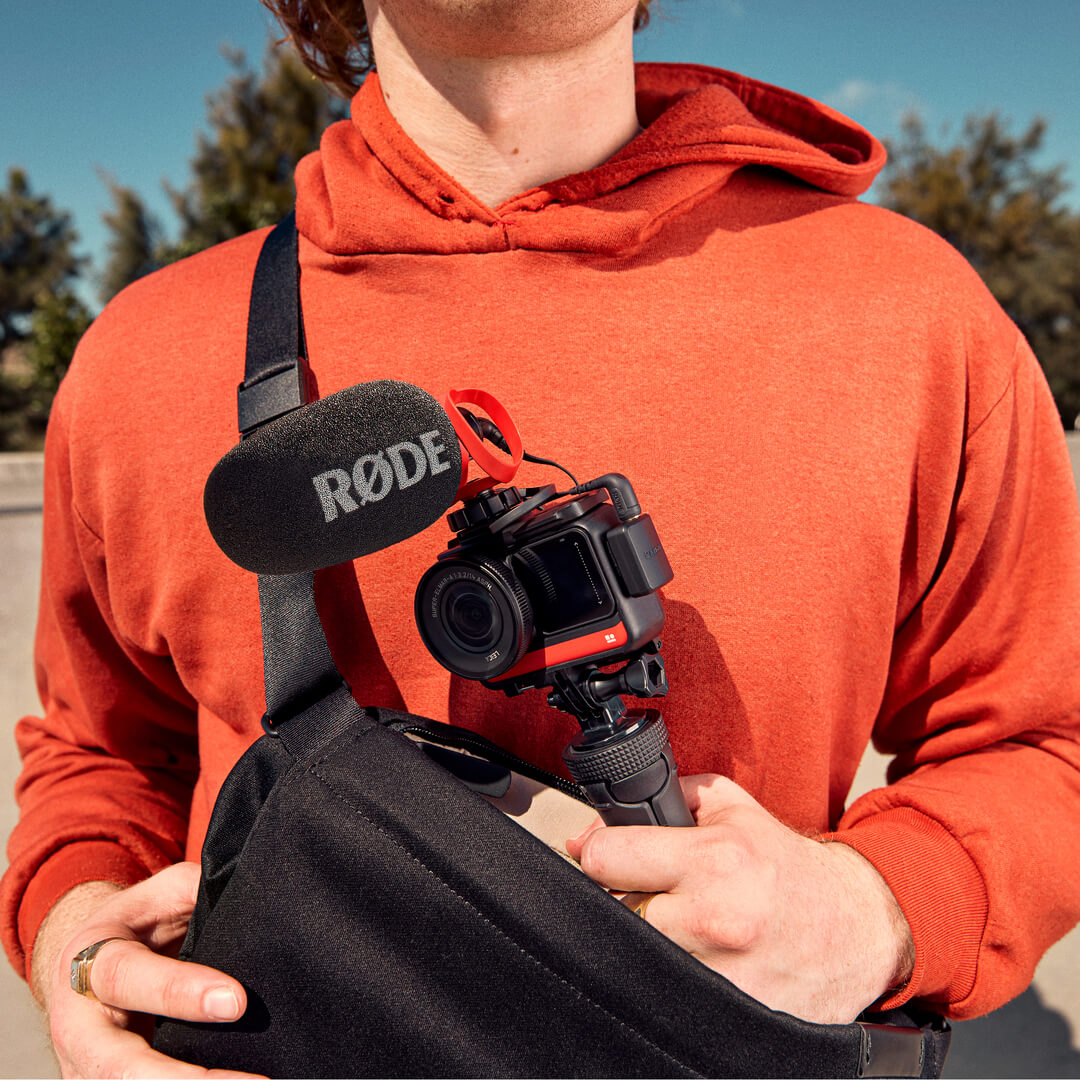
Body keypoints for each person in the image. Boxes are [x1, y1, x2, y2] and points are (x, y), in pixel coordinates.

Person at [5, 0, 1080, 1075]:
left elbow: (1047, 746)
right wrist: (75, 935)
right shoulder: (141, 357)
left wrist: (876, 909)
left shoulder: (911, 314)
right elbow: (99, 756)